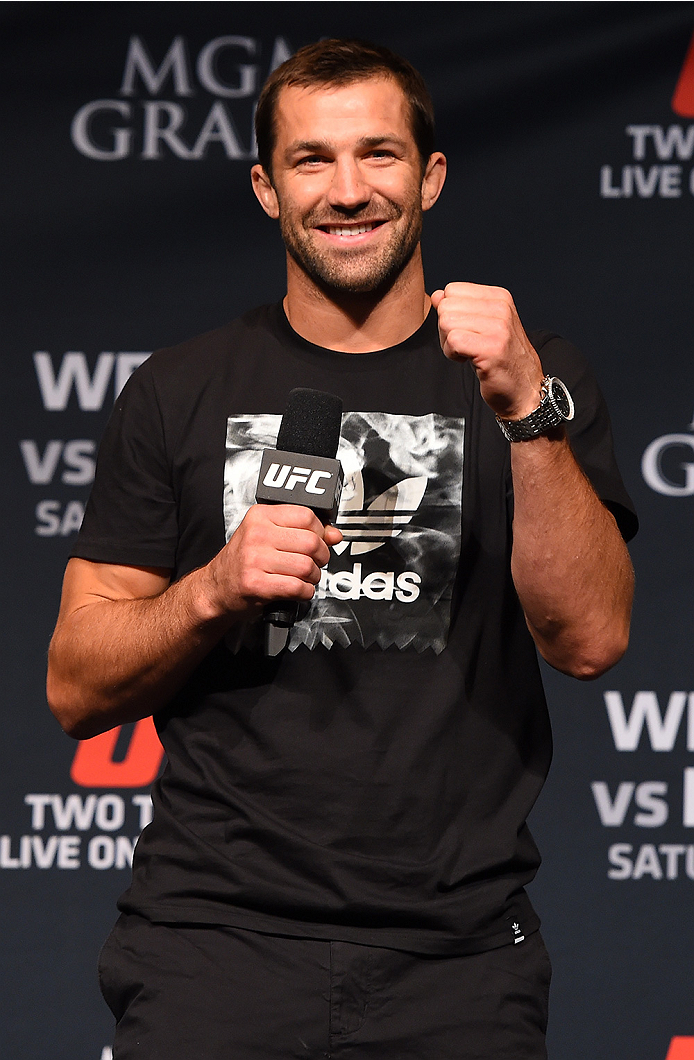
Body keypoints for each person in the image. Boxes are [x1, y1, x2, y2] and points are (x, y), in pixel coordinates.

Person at [47, 38, 636, 1060]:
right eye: (313, 160)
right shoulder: (177, 391)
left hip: (458, 958)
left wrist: (528, 411)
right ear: (267, 189)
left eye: (380, 154)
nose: (349, 189)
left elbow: (587, 640)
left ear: (430, 177)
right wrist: (213, 587)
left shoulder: (537, 380)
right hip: (213, 947)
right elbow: (74, 686)